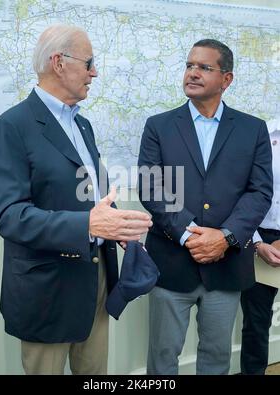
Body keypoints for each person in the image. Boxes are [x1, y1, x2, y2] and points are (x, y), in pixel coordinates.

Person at [0, 24, 152, 375]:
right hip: (47, 290)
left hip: (96, 282)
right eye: (89, 62)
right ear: (59, 63)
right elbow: (10, 217)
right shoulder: (12, 126)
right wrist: (89, 225)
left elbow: (91, 195)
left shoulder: (84, 126)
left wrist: (117, 225)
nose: (95, 72)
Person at [138, 38, 273, 375]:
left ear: (226, 79)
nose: (192, 73)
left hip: (226, 267)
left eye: (203, 67)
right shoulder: (159, 126)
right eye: (189, 65)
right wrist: (191, 235)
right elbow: (152, 186)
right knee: (162, 358)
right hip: (171, 264)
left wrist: (225, 237)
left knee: (216, 358)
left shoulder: (252, 129)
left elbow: (259, 192)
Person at [240, 117, 280, 375]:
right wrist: (256, 242)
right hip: (260, 236)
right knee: (256, 322)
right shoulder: (260, 133)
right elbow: (241, 191)